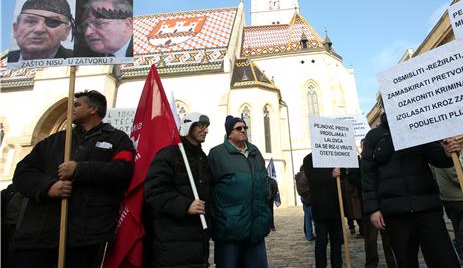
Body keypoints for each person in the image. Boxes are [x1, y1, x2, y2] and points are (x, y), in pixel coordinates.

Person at [10, 90, 135, 268]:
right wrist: (48, 187)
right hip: (39, 234)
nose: (71, 109)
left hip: (85, 236)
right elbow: (23, 173)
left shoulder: (117, 139)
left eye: (77, 105)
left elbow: (123, 170)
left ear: (93, 109)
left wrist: (80, 170)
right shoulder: (54, 141)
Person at [361, 111, 461, 268]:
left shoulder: (419, 126)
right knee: (405, 261)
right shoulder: (374, 136)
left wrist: (446, 153)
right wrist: (373, 209)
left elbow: (435, 155)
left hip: (426, 206)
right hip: (395, 211)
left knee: (444, 259)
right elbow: (368, 175)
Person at [144, 112, 212, 268]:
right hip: (173, 240)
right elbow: (154, 191)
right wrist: (185, 205)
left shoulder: (203, 158)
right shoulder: (168, 155)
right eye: (201, 126)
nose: (206, 130)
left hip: (199, 239)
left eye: (207, 127)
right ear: (189, 127)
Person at [208, 115, 271, 268]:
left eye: (245, 128)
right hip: (229, 229)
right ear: (229, 133)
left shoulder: (255, 152)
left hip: (255, 228)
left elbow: (264, 180)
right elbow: (208, 188)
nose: (243, 130)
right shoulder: (217, 154)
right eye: (238, 128)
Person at [433, 164, 463, 266]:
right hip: (457, 195)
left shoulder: (439, 151)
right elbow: (455, 175)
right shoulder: (447, 150)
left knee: (458, 223)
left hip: (447, 196)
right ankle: (462, 250)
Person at [359, 139, 395, 268]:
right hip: (368, 205)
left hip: (385, 203)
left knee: (389, 239)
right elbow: (353, 178)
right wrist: (364, 179)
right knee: (370, 239)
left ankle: (393, 262)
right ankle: (371, 263)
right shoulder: (357, 162)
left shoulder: (381, 156)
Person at [303, 153, 343, 268]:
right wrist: (331, 175)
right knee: (321, 242)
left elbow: (343, 175)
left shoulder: (334, 156)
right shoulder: (309, 159)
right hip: (321, 209)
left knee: (337, 243)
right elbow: (313, 178)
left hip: (336, 208)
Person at [8, 0, 74, 62]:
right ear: (15, 29)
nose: (39, 29)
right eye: (31, 21)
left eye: (52, 22)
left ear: (66, 32)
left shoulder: (80, 63)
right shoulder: (4, 62)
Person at [295, 165, 315, 241]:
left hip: (304, 200)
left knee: (307, 219)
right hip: (310, 199)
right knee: (315, 219)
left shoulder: (298, 177)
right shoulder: (306, 176)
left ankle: (309, 235)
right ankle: (316, 235)